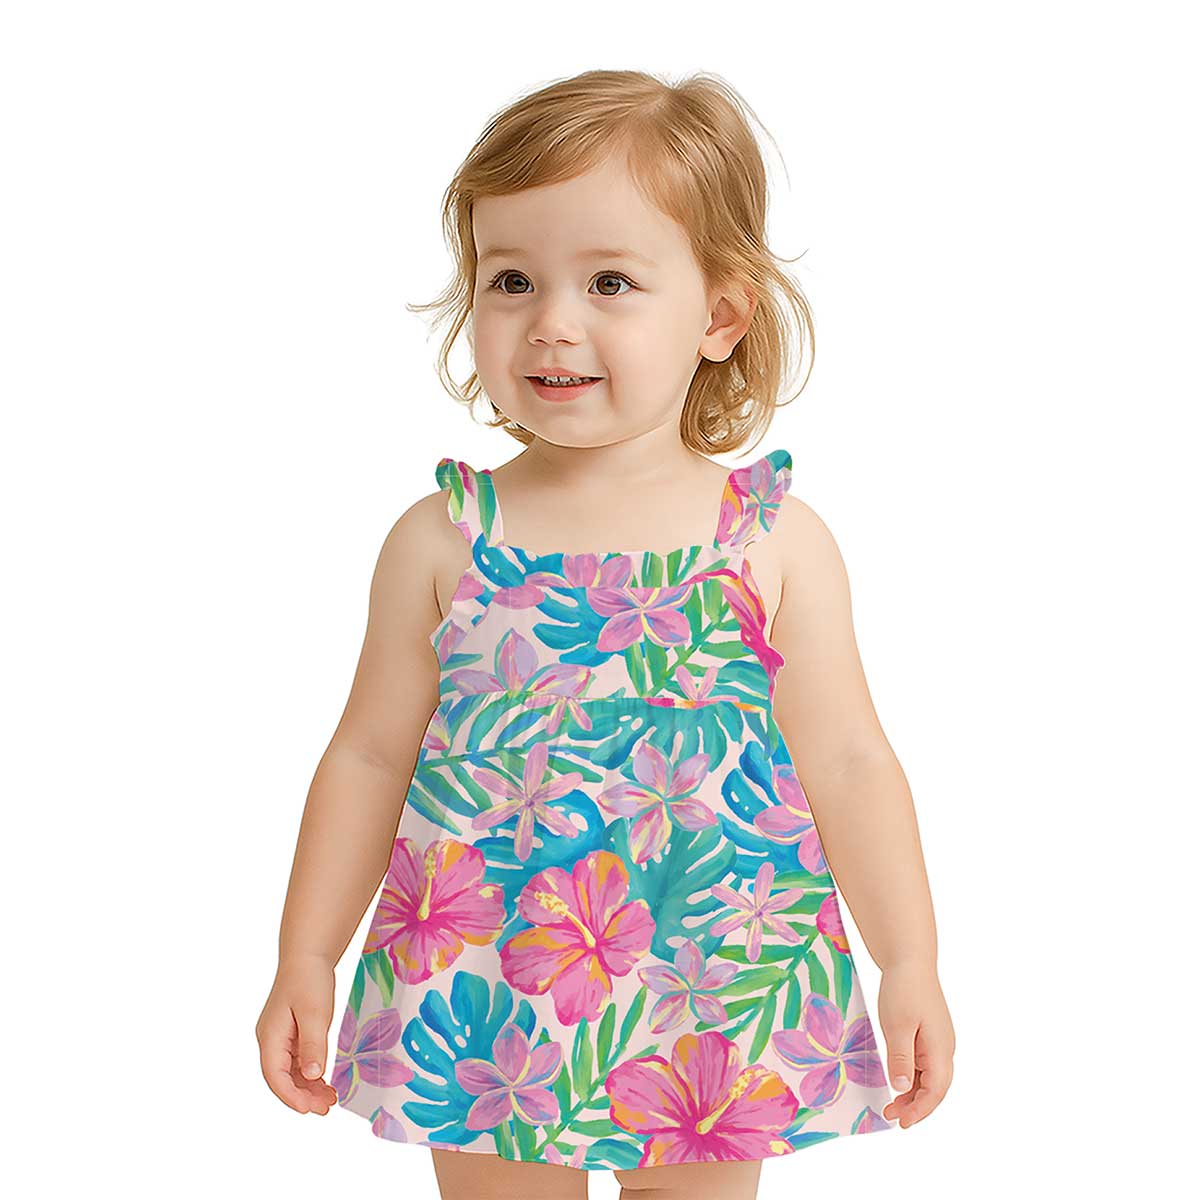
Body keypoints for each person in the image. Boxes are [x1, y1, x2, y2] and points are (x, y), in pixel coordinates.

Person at [256, 68, 955, 1200]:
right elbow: (370, 757)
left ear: (720, 317)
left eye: (610, 281)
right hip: (486, 977)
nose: (552, 322)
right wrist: (306, 953)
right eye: (512, 280)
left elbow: (849, 761)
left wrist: (909, 959)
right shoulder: (445, 540)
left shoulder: (771, 540)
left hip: (714, 974)